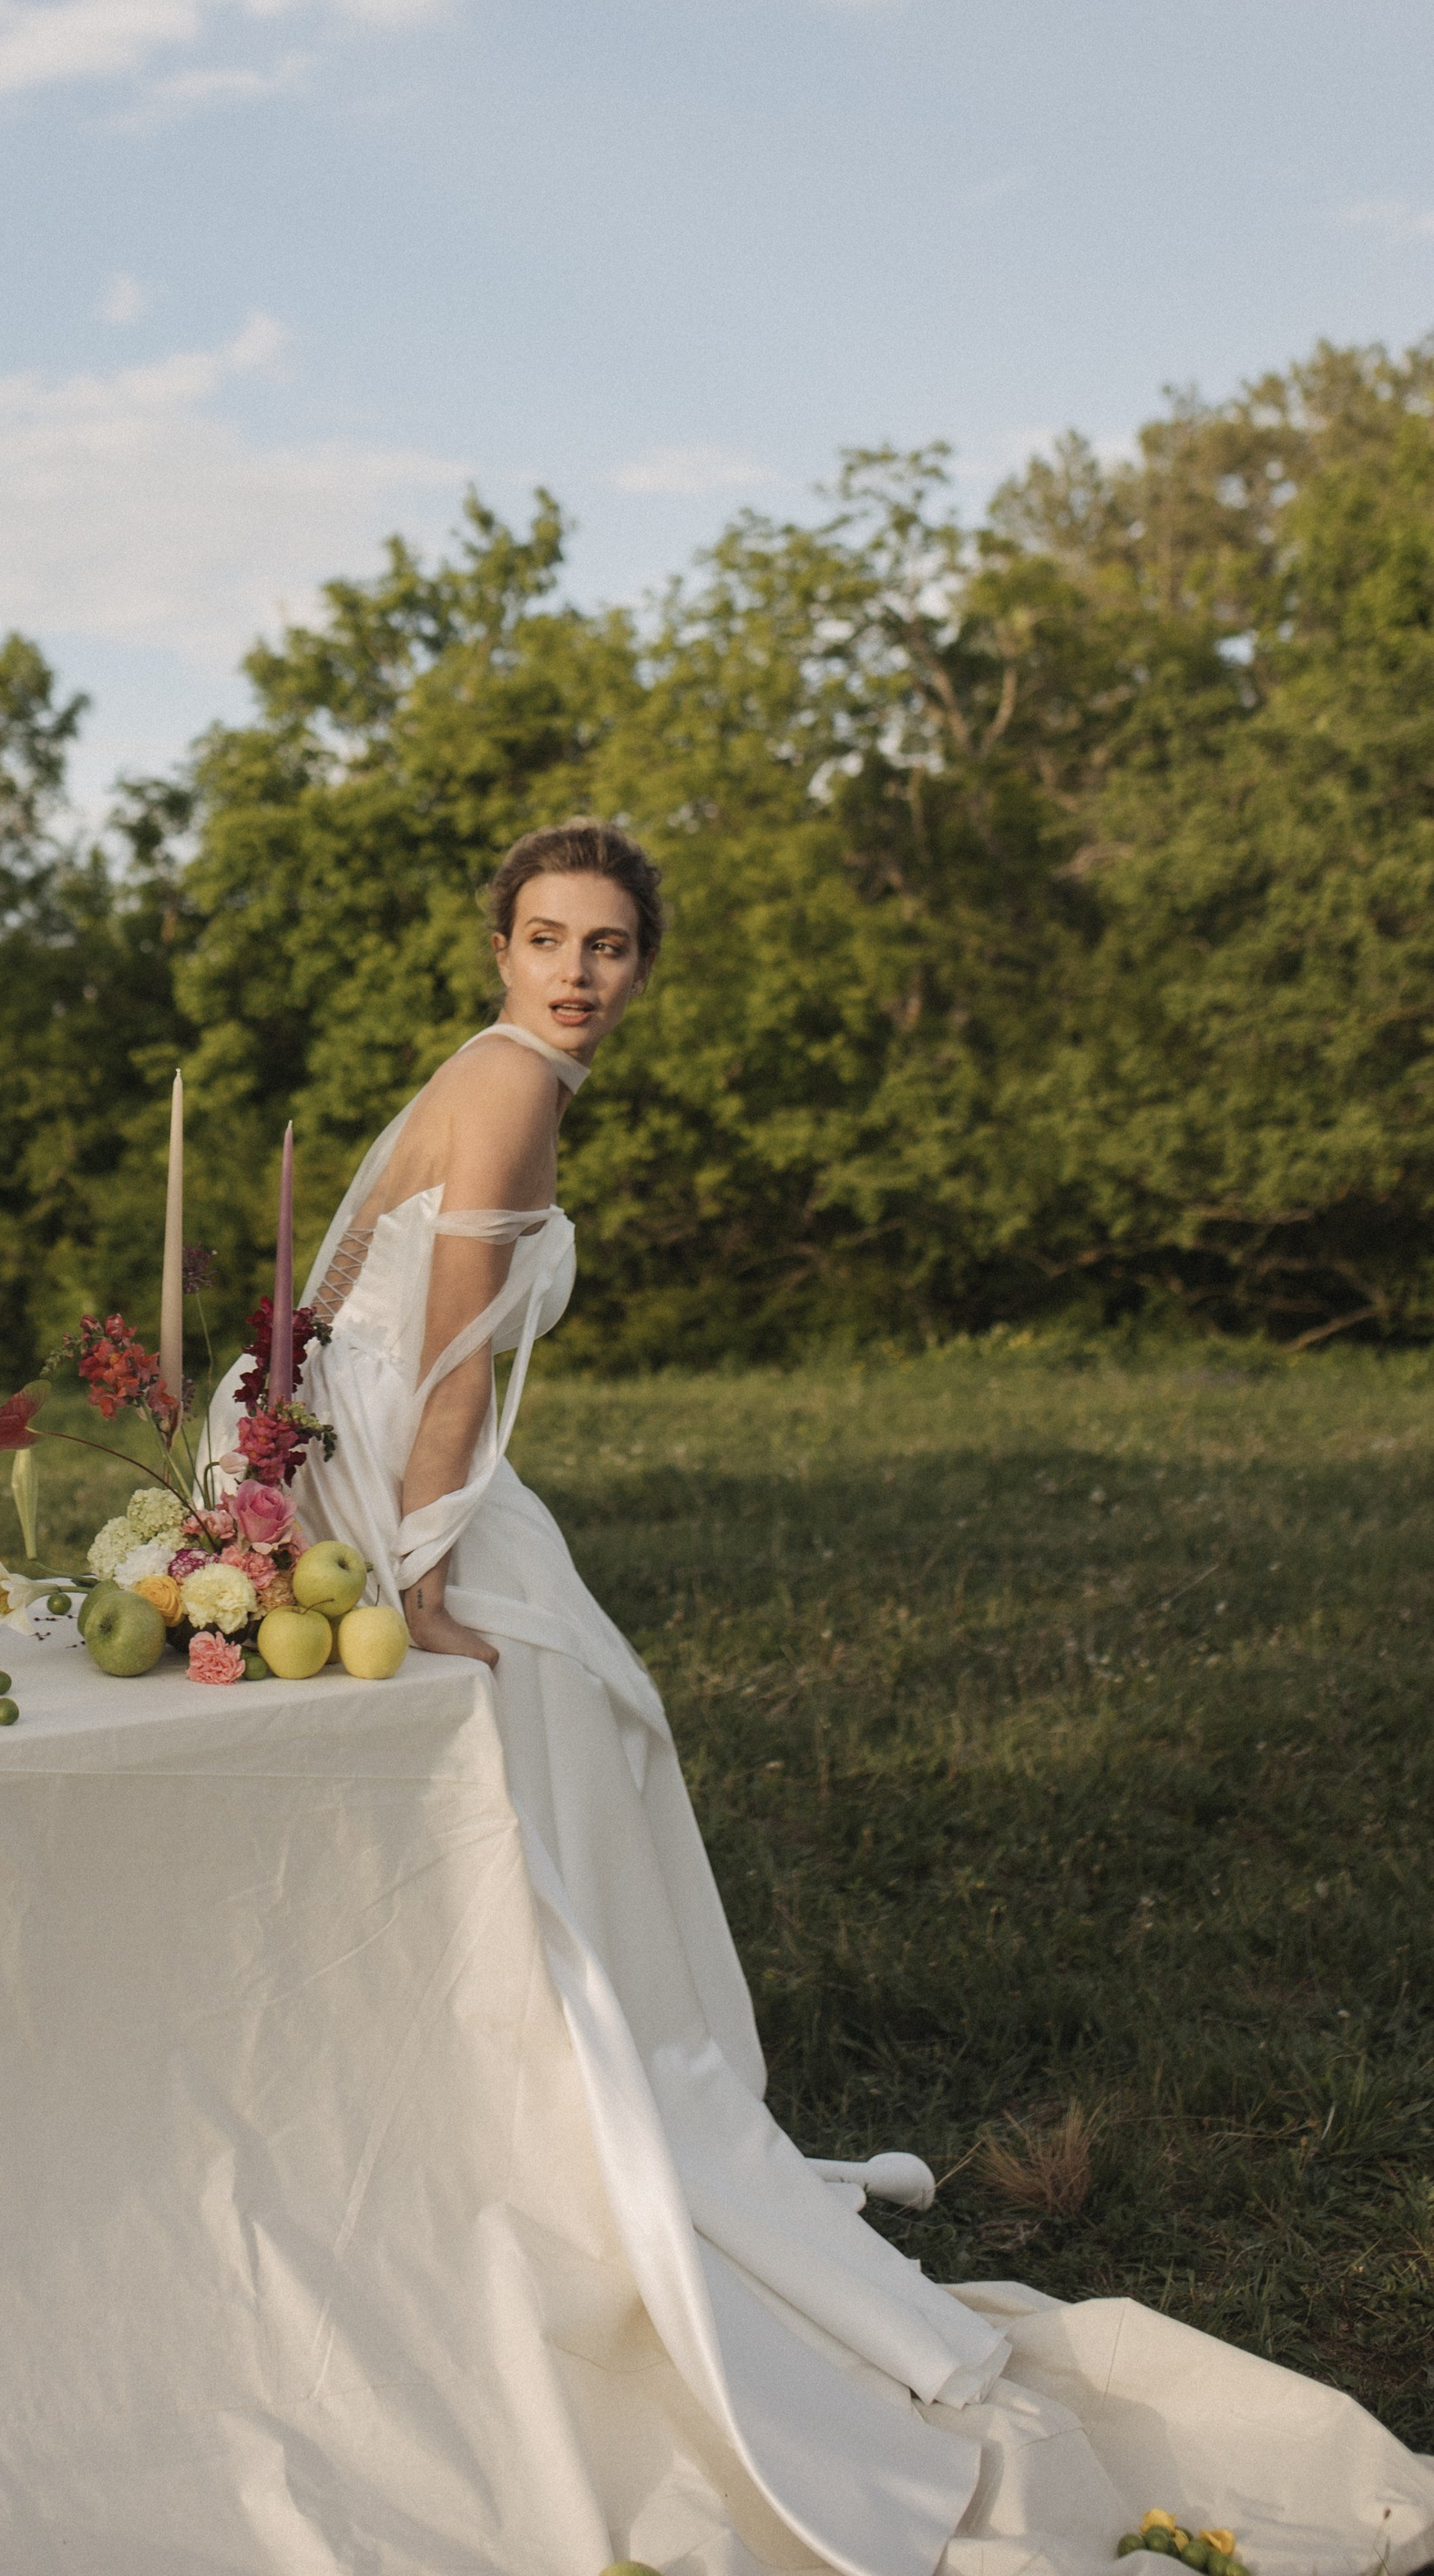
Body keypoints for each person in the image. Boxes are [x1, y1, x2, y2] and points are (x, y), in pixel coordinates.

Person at [228, 815, 1434, 2576]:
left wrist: (287, 1473)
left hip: (364, 1471)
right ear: (501, 950)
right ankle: (586, 2131)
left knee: (587, 1744)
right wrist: (413, 1570)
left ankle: (545, 2112)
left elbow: (324, 1305)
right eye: (551, 939)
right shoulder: (513, 1089)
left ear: (644, 962)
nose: (579, 975)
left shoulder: (469, 1076)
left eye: (612, 947)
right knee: (578, 1727)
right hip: (414, 1498)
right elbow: (451, 1357)